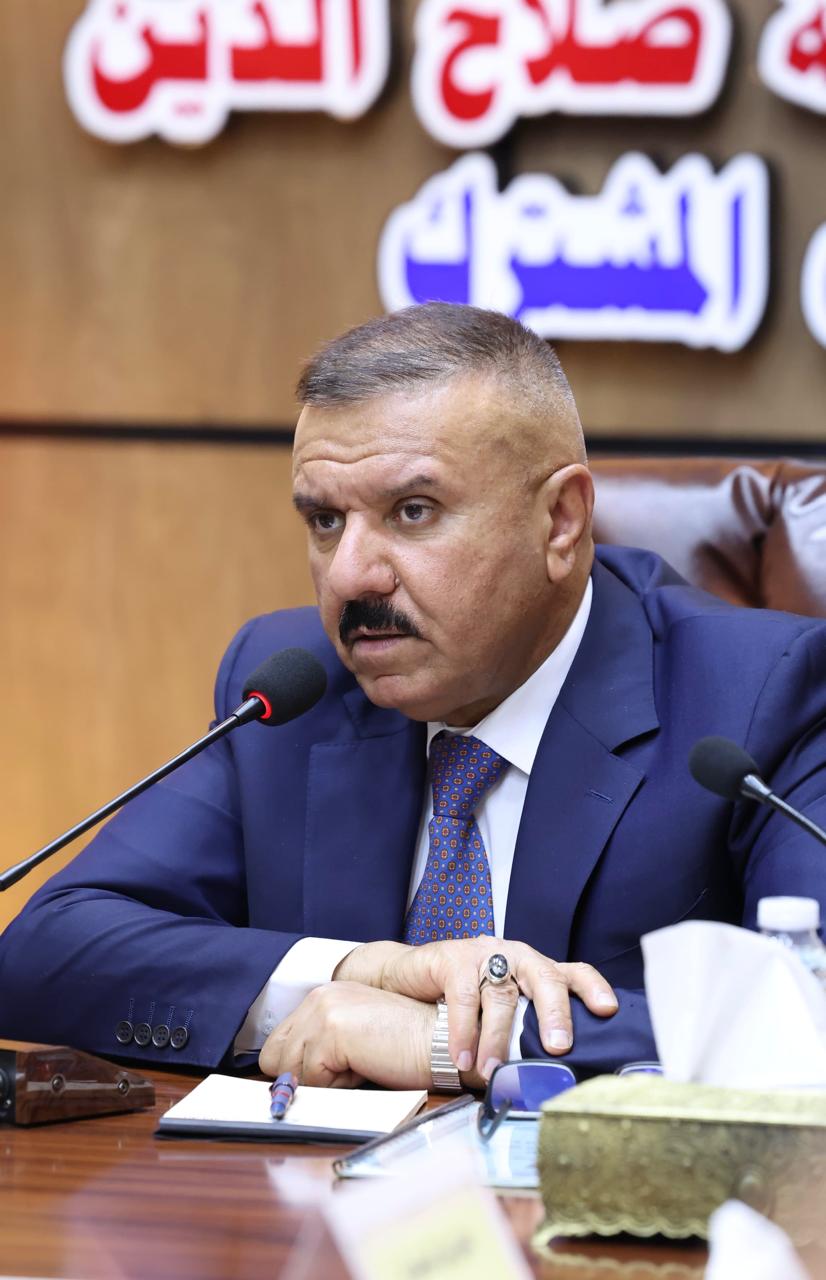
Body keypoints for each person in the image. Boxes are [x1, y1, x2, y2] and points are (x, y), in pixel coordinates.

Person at [1, 304, 825, 1091]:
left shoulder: (761, 699)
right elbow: (46, 952)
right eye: (326, 521)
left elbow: (808, 1020)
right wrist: (354, 973)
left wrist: (442, 1042)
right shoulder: (293, 689)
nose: (352, 575)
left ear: (561, 522)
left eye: (413, 511)